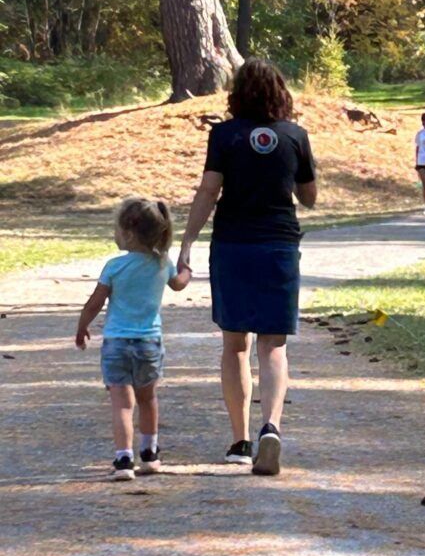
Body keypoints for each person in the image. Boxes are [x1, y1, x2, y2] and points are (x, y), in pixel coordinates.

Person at [177, 59, 316, 477]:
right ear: (280, 93)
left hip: (233, 244)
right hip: (278, 245)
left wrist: (186, 240)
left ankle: (240, 441)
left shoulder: (224, 135)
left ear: (237, 93)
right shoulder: (296, 136)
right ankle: (271, 427)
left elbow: (209, 189)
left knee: (235, 344)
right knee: (273, 345)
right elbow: (308, 197)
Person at [75, 198, 191, 481]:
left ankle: (124, 458)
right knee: (148, 399)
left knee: (122, 403)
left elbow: (94, 303)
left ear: (127, 232)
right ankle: (149, 454)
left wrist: (82, 326)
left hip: (116, 343)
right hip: (149, 343)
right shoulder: (162, 265)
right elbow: (179, 284)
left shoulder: (114, 266)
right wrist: (186, 268)